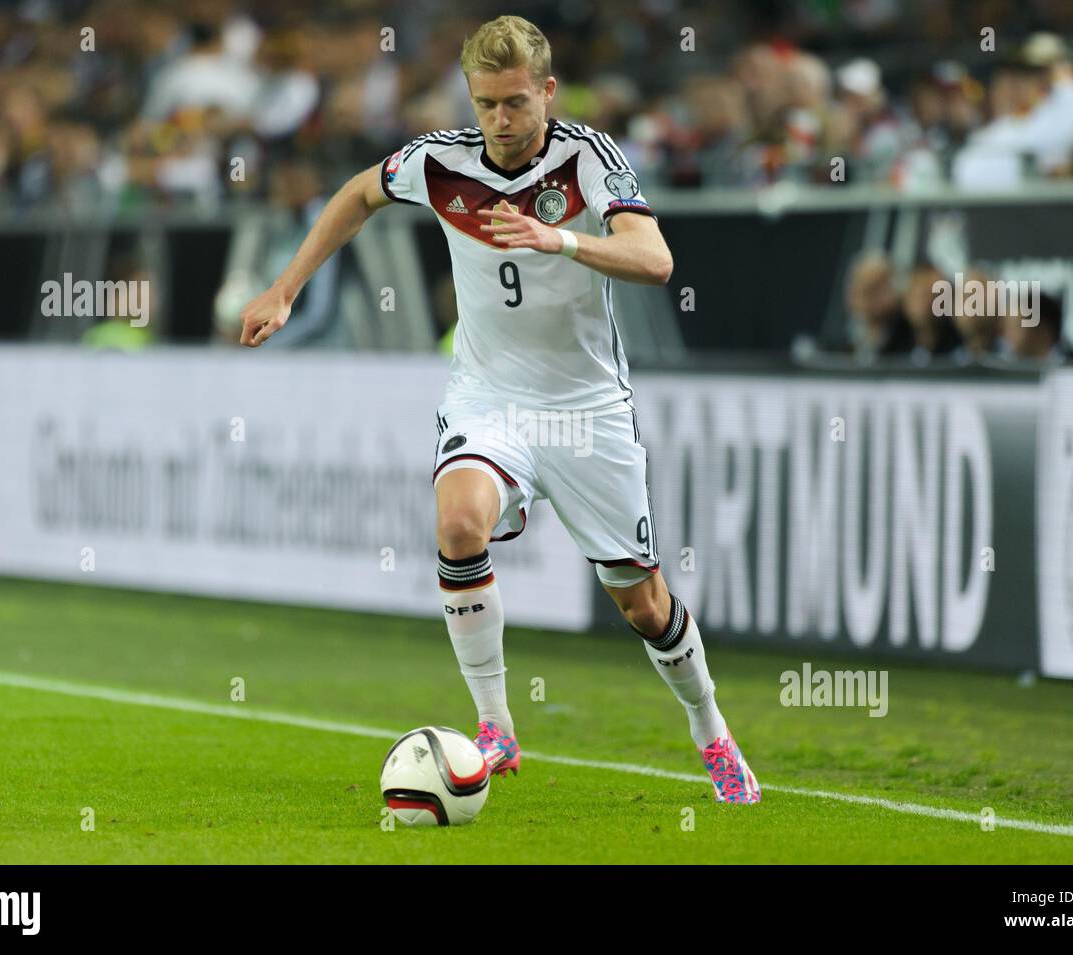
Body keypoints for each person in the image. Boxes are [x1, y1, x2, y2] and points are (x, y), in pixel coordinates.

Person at [237, 15, 760, 804]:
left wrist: (566, 244)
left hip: (585, 409)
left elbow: (656, 259)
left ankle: (711, 730)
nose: (502, 121)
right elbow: (357, 193)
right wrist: (286, 287)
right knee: (456, 525)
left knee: (644, 604)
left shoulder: (589, 159)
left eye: (516, 102)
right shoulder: (439, 161)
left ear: (548, 90)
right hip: (491, 398)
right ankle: (495, 725)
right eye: (486, 104)